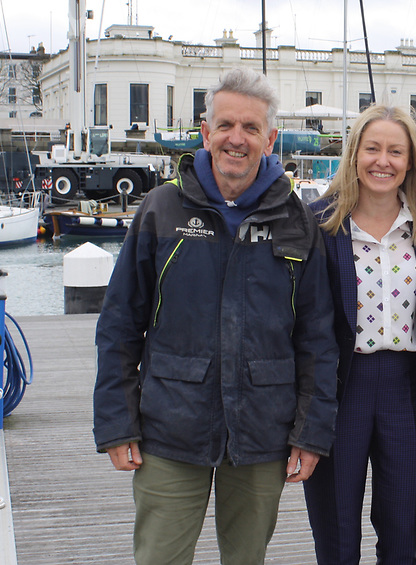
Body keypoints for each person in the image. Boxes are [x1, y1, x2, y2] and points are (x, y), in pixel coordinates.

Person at [92, 67, 338, 565]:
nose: (236, 139)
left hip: (262, 433)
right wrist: (116, 423)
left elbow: (317, 338)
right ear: (205, 133)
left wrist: (311, 432)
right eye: (225, 125)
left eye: (251, 128)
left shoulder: (297, 221)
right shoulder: (161, 210)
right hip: (169, 428)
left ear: (270, 139)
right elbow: (119, 323)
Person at [303, 105, 416, 564]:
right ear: (354, 154)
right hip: (342, 387)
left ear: (410, 161)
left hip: (405, 388)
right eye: (373, 149)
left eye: (396, 151)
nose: (383, 161)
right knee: (337, 534)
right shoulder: (320, 224)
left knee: (403, 529)